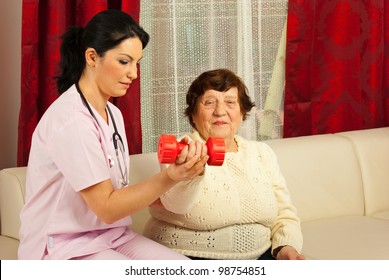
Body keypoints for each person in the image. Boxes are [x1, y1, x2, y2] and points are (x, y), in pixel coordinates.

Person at [18, 9, 208, 260]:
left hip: (111, 236)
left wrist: (184, 172)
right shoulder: (71, 120)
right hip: (61, 246)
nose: (133, 74)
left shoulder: (113, 115)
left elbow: (119, 194)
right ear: (92, 57)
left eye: (137, 63)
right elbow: (107, 207)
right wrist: (169, 177)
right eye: (124, 61)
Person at [144, 68, 305, 260]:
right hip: (188, 257)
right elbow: (176, 203)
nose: (220, 111)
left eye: (230, 102)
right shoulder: (183, 150)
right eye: (209, 102)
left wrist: (285, 247)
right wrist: (190, 171)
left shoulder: (262, 153)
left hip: (262, 255)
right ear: (193, 115)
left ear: (242, 112)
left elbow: (284, 214)